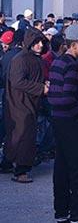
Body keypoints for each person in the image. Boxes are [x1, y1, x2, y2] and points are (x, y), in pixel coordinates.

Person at [48, 24, 78, 223]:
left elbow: (53, 96)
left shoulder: (57, 63)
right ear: (75, 44)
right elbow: (67, 97)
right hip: (70, 123)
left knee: (62, 168)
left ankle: (61, 212)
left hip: (58, 121)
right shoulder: (71, 65)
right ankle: (77, 215)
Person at [0, 28, 48, 183]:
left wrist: (44, 84)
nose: (40, 45)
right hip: (18, 104)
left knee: (17, 136)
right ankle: (21, 170)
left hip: (30, 102)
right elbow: (18, 81)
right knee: (23, 136)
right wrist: (41, 88)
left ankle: (7, 163)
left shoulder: (37, 59)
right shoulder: (20, 59)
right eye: (37, 42)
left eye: (42, 42)